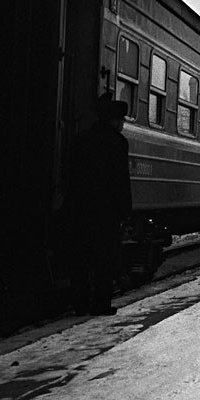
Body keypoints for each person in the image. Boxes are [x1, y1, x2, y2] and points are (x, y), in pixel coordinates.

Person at [65, 92, 132, 315]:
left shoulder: (80, 140)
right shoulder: (118, 143)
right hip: (106, 211)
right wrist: (125, 211)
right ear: (114, 121)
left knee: (80, 258)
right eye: (121, 121)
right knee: (104, 259)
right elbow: (121, 181)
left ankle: (80, 304)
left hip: (79, 208)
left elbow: (71, 176)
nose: (122, 125)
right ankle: (101, 304)